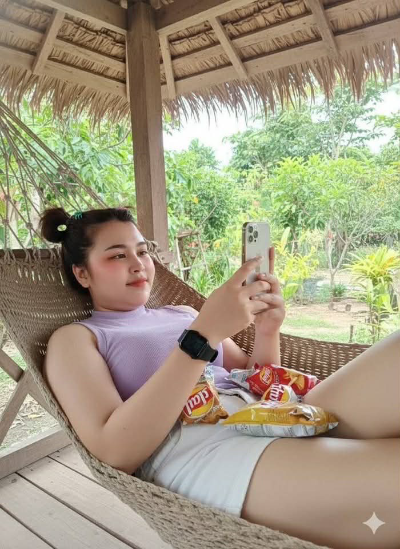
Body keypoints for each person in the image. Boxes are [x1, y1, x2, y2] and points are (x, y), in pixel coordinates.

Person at [40, 206, 400, 549]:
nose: (138, 264)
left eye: (143, 251)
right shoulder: (75, 339)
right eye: (118, 255)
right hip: (206, 449)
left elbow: (252, 378)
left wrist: (267, 330)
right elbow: (113, 452)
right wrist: (202, 337)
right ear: (82, 273)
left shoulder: (182, 313)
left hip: (277, 413)